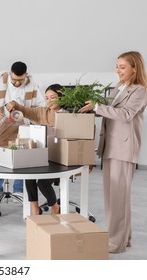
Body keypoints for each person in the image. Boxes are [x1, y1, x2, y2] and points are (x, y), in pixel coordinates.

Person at [79, 51, 147, 253]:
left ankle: (116, 243)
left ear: (135, 68)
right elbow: (107, 112)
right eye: (117, 66)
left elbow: (126, 115)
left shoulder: (140, 91)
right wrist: (92, 108)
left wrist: (98, 107)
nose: (118, 70)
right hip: (110, 146)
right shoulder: (117, 87)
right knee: (113, 197)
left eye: (123, 67)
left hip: (124, 149)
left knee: (118, 197)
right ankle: (123, 239)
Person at [0, 61, 45, 199]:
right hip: (1, 125)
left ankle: (18, 189)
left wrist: (25, 113)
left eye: (20, 80)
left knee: (21, 158)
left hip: (22, 126)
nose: (17, 83)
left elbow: (41, 107)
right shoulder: (0, 82)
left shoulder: (32, 86)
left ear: (25, 76)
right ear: (11, 74)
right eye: (14, 80)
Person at [6, 84, 63, 215]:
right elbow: (26, 111)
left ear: (62, 97)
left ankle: (54, 206)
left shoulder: (68, 114)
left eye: (53, 98)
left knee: (43, 183)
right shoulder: (42, 112)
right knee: (29, 174)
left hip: (59, 159)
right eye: (47, 98)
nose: (49, 101)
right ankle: (34, 207)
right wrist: (14, 104)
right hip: (43, 156)